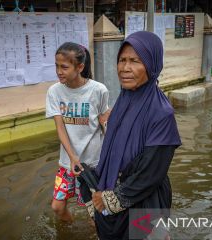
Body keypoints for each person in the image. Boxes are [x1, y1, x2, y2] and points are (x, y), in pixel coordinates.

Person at [91, 31, 182, 239]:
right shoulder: (123, 102)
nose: (125, 68)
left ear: (151, 64)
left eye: (135, 61)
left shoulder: (161, 113)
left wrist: (112, 200)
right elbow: (112, 151)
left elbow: (151, 173)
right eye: (122, 60)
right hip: (112, 191)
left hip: (144, 203)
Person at [46, 42, 110, 222]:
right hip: (67, 162)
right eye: (57, 66)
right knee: (57, 207)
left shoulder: (98, 90)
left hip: (92, 164)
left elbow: (103, 123)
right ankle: (71, 228)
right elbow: (60, 128)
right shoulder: (54, 92)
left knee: (93, 212)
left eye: (64, 67)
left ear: (80, 67)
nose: (59, 71)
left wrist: (111, 156)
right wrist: (73, 157)